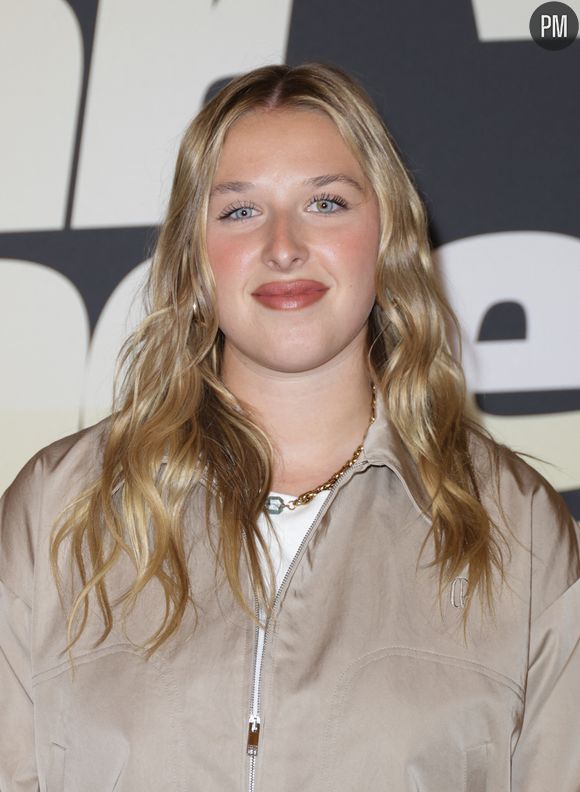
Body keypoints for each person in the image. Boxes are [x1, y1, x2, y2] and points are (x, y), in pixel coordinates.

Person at [0, 62, 579, 792]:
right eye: (240, 211)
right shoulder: (59, 509)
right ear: (193, 255)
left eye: (327, 203)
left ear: (389, 234)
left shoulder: (516, 527)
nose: (283, 246)